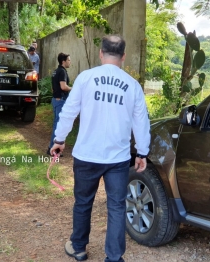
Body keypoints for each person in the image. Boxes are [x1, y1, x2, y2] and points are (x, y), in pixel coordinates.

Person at [50, 35, 150, 262]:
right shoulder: (132, 86)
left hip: (86, 155)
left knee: (83, 202)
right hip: (117, 159)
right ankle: (114, 258)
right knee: (116, 206)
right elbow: (141, 121)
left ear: (101, 53)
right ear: (123, 56)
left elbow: (69, 112)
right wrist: (142, 151)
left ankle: (78, 247)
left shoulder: (86, 78)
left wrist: (59, 140)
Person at [47, 52, 72, 155]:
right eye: (69, 60)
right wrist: (73, 89)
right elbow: (63, 86)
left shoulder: (55, 71)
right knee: (58, 125)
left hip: (56, 100)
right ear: (63, 61)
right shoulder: (62, 72)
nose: (70, 62)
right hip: (60, 100)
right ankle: (53, 149)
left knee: (57, 124)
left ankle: (52, 148)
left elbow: (53, 88)